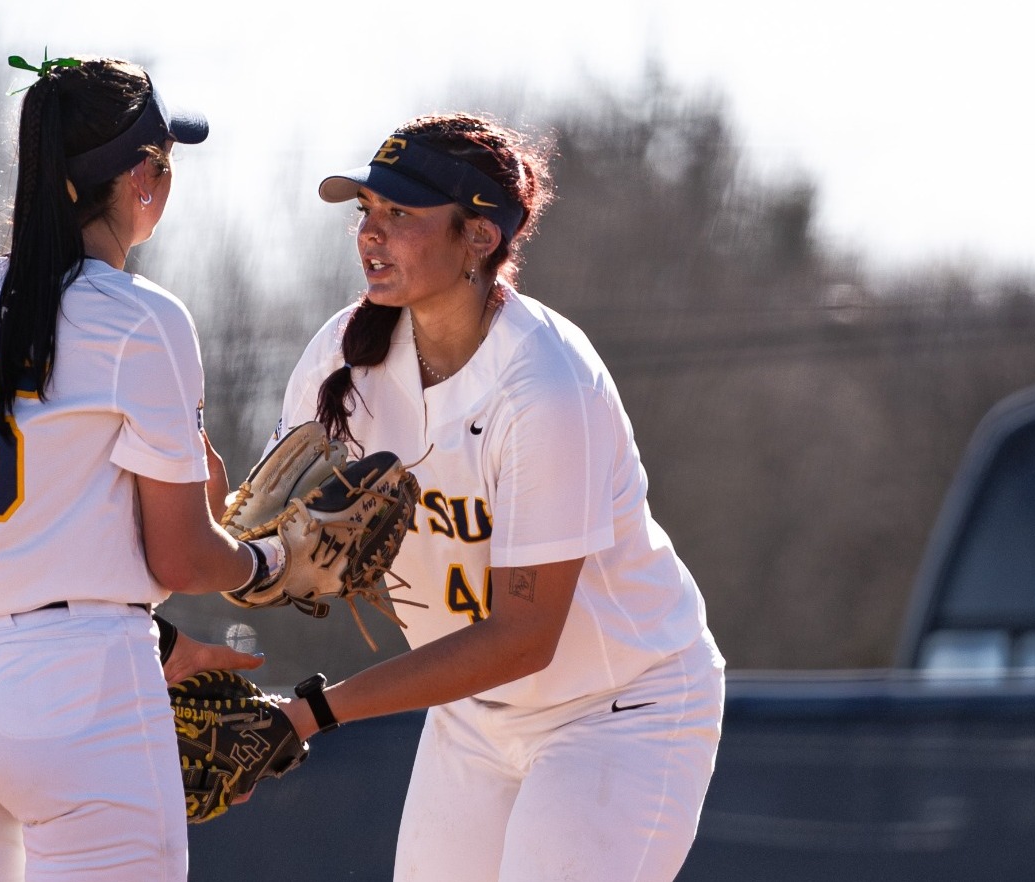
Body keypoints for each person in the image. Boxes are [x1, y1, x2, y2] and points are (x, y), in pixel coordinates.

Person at [267, 114, 726, 881]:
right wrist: (239, 559)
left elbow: (521, 638)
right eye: (366, 213)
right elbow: (281, 537)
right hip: (472, 719)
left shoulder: (544, 384)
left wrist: (313, 712)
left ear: (478, 239)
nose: (370, 235)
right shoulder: (344, 354)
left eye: (401, 215)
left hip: (617, 708)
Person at [0, 55, 282, 881]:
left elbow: (10, 540)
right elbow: (179, 558)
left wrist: (162, 638)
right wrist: (268, 563)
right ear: (142, 178)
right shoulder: (139, 318)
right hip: (75, 684)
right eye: (164, 164)